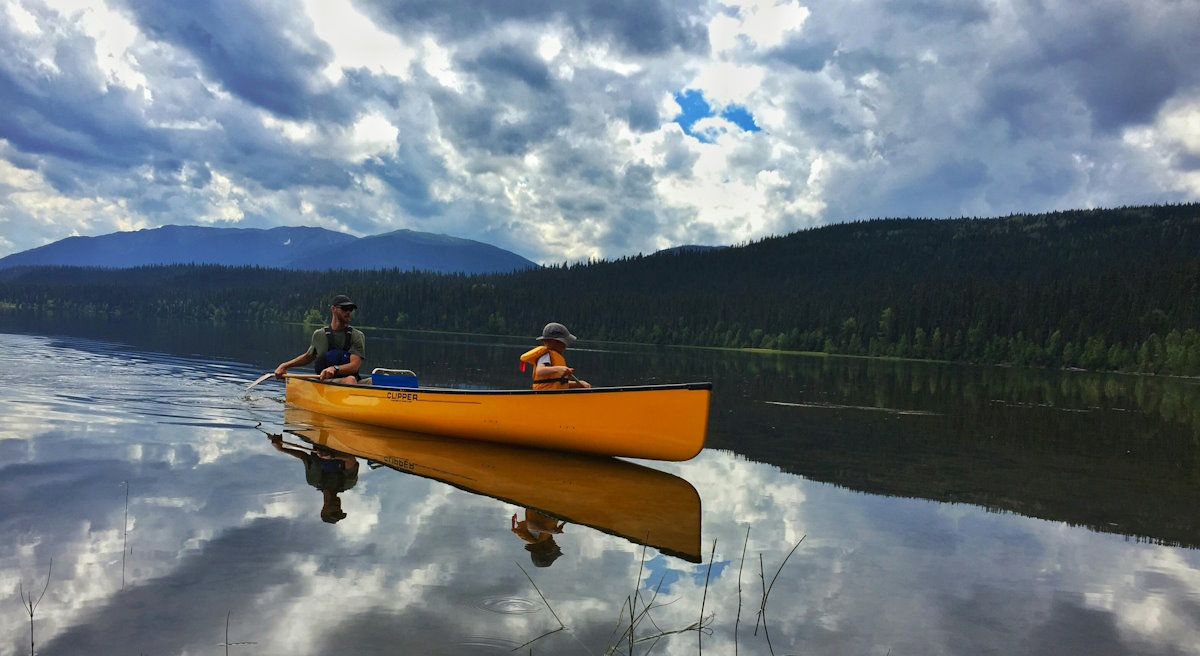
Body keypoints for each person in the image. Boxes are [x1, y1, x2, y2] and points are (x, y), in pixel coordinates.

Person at [268, 434, 360, 524]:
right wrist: (332, 456)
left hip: (320, 437)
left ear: (323, 510)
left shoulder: (313, 480)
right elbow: (350, 460)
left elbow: (304, 457)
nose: (337, 508)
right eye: (339, 510)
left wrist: (281, 449)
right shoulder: (348, 483)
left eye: (334, 512)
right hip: (342, 438)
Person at [274, 294, 365, 384]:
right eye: (344, 308)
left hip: (352, 382)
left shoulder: (357, 335)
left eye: (351, 309)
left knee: (371, 380)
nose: (348, 312)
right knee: (350, 380)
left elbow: (354, 366)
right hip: (325, 382)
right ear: (333, 309)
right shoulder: (319, 335)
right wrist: (284, 366)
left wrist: (334, 369)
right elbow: (308, 357)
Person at [518, 322, 591, 390]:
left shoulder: (554, 358)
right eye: (564, 343)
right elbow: (540, 371)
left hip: (556, 397)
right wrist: (560, 369)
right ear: (555, 342)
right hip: (545, 397)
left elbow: (559, 383)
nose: (565, 346)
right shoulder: (545, 355)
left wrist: (578, 384)